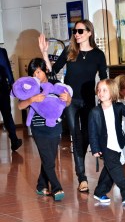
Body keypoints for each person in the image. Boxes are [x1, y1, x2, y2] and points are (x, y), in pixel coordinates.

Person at [38, 19, 108, 193]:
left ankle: (79, 166)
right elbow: (53, 73)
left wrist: (106, 98)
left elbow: (105, 78)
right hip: (69, 100)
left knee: (85, 137)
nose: (76, 34)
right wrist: (45, 55)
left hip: (88, 101)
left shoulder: (98, 55)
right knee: (76, 136)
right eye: (75, 31)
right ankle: (82, 178)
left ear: (89, 33)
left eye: (80, 31)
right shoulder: (70, 51)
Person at [18, 58, 72, 201]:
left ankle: (41, 185)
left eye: (38, 72)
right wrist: (31, 100)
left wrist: (68, 99)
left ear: (45, 70)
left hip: (55, 126)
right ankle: (56, 187)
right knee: (48, 159)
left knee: (49, 158)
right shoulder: (29, 86)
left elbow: (67, 103)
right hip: (38, 128)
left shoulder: (55, 83)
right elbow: (20, 106)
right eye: (33, 73)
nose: (36, 76)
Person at [88, 79, 125, 205]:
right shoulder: (95, 112)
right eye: (99, 90)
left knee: (109, 171)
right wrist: (95, 149)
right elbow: (93, 132)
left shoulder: (118, 107)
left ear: (112, 92)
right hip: (105, 146)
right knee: (117, 171)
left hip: (117, 144)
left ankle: (100, 192)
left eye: (104, 90)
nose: (101, 93)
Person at [0, 47, 22, 151]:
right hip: (1, 88)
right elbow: (6, 68)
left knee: (7, 115)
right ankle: (14, 140)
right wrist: (13, 84)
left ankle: (14, 140)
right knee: (7, 115)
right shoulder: (1, 51)